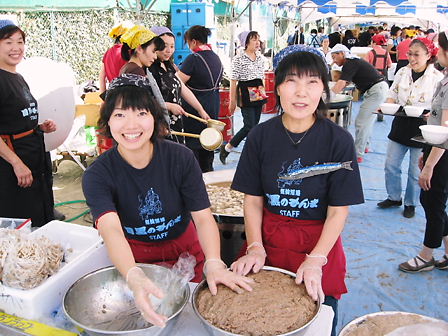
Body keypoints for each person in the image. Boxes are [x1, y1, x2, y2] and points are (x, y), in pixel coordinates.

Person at [82, 74, 253, 328]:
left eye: (141, 113)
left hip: (187, 252)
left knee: (193, 323)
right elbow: (111, 230)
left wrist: (215, 262)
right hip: (135, 259)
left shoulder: (181, 158)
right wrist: (133, 275)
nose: (131, 125)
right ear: (107, 120)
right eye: (119, 115)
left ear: (154, 117)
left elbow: (203, 218)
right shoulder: (98, 175)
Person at [230, 45, 364, 336]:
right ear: (277, 88)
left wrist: (316, 260)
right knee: (258, 321)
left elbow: (338, 210)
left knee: (317, 321)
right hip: (268, 243)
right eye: (291, 81)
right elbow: (252, 201)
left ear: (323, 89)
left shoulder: (338, 141)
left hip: (319, 246)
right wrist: (255, 247)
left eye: (312, 82)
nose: (301, 92)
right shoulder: (260, 137)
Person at [398, 32, 448, 273]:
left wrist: (429, 165)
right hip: (435, 147)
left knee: (432, 201)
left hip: (442, 152)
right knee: (434, 200)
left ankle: (426, 255)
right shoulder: (444, 80)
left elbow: (445, 130)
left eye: (439, 49)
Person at [0, 20, 57, 227]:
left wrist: (39, 127)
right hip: (11, 162)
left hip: (32, 154)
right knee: (19, 217)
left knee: (37, 211)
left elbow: (13, 117)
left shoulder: (17, 77)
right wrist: (16, 163)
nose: (16, 48)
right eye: (8, 42)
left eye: (20, 41)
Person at [377, 38, 442, 219]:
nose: (412, 58)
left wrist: (432, 114)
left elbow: (439, 106)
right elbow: (393, 94)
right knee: (391, 165)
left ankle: (410, 203)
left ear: (429, 55)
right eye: (410, 54)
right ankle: (394, 197)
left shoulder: (437, 78)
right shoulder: (403, 72)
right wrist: (386, 106)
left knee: (415, 171)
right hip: (400, 125)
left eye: (417, 54)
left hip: (422, 129)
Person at [148, 26, 210, 145]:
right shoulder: (149, 69)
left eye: (172, 46)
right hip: (160, 125)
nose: (169, 50)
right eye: (164, 46)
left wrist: (200, 110)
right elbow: (144, 101)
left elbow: (182, 88)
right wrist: (169, 106)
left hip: (175, 122)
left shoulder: (169, 66)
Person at [330, 44, 389, 163]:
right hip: (376, 89)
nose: (334, 61)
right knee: (368, 120)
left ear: (342, 53)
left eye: (334, 57)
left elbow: (342, 83)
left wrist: (327, 97)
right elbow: (346, 82)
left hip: (376, 90)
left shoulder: (350, 62)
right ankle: (365, 146)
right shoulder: (353, 61)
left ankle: (357, 154)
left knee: (361, 122)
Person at [177, 25, 223, 172]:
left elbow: (178, 83)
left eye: (188, 42)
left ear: (194, 42)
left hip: (196, 107)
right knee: (209, 142)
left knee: (194, 143)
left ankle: (197, 177)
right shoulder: (216, 57)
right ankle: (209, 174)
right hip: (213, 104)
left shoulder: (193, 59)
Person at [219, 31, 267, 164]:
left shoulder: (260, 58)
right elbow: (233, 81)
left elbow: (261, 77)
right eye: (254, 40)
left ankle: (250, 154)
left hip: (258, 91)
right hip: (245, 92)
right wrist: (232, 101)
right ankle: (228, 148)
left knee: (254, 126)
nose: (257, 42)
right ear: (246, 42)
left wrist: (263, 96)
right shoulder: (238, 59)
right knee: (249, 126)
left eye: (258, 39)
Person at [99, 21, 132, 93]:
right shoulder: (129, 52)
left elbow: (102, 77)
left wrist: (104, 97)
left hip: (112, 95)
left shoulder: (108, 52)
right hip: (127, 95)